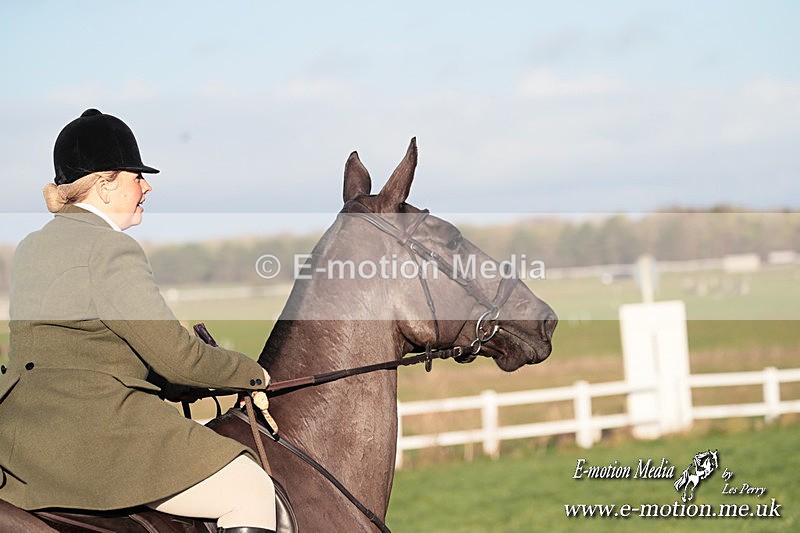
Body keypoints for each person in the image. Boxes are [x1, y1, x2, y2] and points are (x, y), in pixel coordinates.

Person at [0, 109, 277, 533]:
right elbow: (179, 358)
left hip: (23, 443)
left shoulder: (31, 246)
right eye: (137, 177)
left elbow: (80, 350)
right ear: (105, 184)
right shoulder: (110, 249)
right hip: (96, 438)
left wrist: (171, 384)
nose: (147, 187)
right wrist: (254, 374)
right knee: (250, 490)